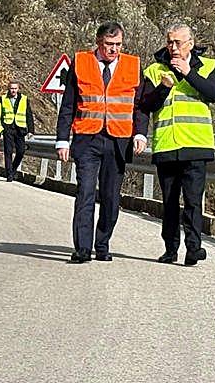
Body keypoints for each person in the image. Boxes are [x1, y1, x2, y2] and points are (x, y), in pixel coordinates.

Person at [55, 21, 148, 263]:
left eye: (117, 44)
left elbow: (140, 106)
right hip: (88, 139)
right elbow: (68, 104)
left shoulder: (133, 65)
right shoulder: (82, 62)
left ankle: (102, 244)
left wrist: (140, 133)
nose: (113, 49)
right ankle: (82, 249)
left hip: (118, 140)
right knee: (85, 193)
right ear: (98, 43)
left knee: (110, 197)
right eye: (108, 44)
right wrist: (62, 140)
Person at [139, 22, 215, 266]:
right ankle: (170, 248)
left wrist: (188, 72)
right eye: (169, 42)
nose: (173, 47)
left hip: (196, 145)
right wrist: (164, 88)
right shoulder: (154, 70)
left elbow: (214, 93)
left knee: (193, 201)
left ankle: (193, 248)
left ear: (190, 44)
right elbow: (145, 104)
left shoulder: (207, 67)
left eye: (178, 42)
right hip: (166, 147)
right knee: (169, 202)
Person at [0, 82, 35, 181]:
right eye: (11, 88)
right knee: (8, 151)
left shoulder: (24, 99)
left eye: (15, 88)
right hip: (8, 128)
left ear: (18, 89)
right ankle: (9, 174)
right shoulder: (3, 99)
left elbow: (28, 114)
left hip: (20, 129)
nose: (13, 90)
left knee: (21, 151)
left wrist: (31, 130)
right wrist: (1, 127)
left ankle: (13, 169)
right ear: (8, 88)